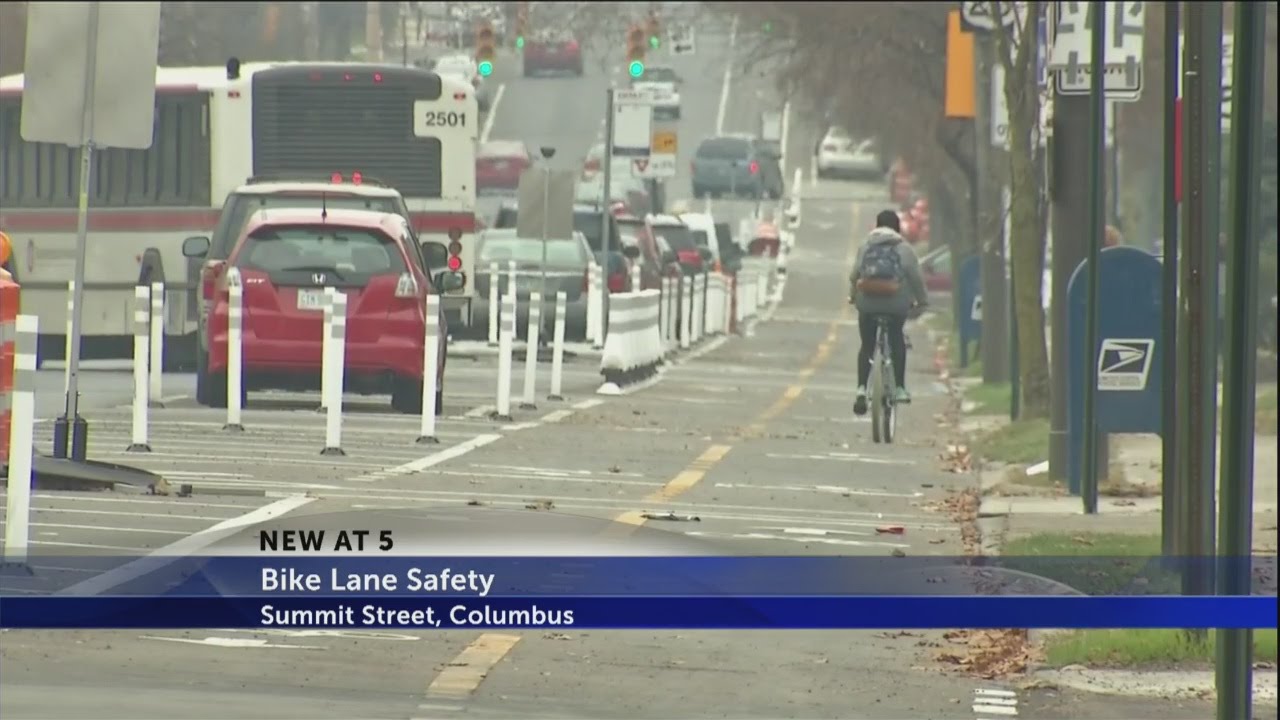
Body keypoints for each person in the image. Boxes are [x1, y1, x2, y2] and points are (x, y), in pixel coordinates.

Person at [848, 209, 928, 414]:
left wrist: (853, 296)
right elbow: (916, 278)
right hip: (895, 304)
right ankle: (900, 388)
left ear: (877, 225)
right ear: (897, 227)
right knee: (896, 339)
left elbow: (854, 274)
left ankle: (860, 389)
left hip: (867, 303)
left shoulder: (865, 246)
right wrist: (922, 301)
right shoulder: (905, 249)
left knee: (867, 345)